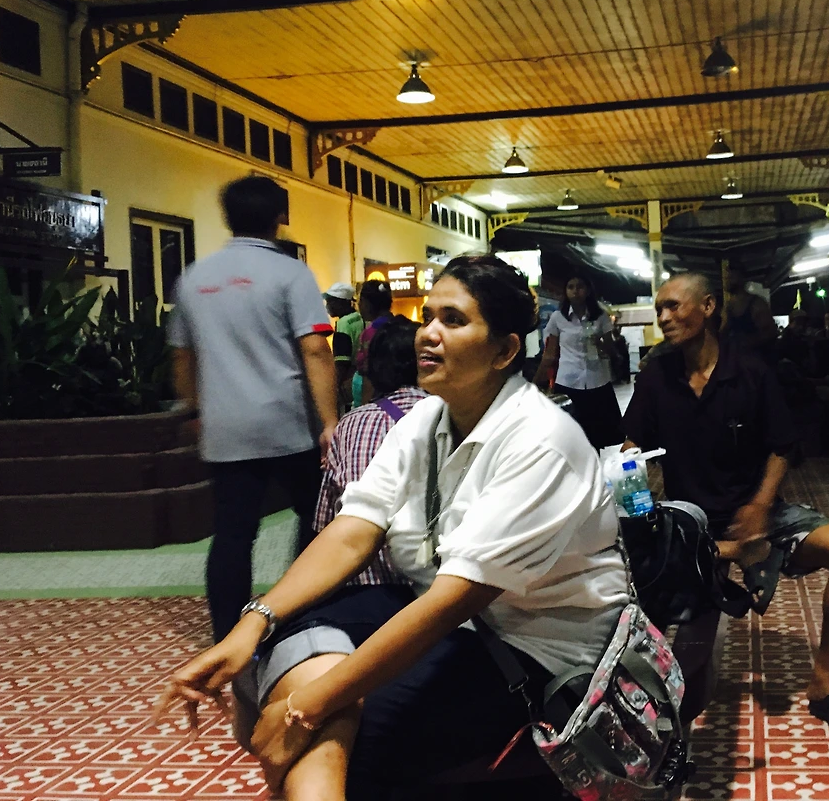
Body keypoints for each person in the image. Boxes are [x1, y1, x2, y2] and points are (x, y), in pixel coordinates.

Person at [155, 255, 628, 801]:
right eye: (428, 317)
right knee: (293, 631)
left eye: (454, 320)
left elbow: (453, 600)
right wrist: (251, 623)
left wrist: (307, 706)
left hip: (538, 651)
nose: (428, 333)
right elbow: (353, 530)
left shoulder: (541, 440)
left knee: (347, 727)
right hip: (455, 620)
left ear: (504, 351)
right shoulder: (426, 420)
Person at [622, 272, 829, 736]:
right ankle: (647, 704)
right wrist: (636, 507)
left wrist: (759, 505)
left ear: (708, 307)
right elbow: (632, 448)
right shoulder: (658, 375)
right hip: (690, 524)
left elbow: (782, 446)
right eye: (659, 310)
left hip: (758, 516)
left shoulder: (751, 371)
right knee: (651, 597)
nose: (664, 318)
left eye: (673, 306)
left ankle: (824, 681)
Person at [168, 176, 339, 642]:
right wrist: (330, 421)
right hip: (289, 424)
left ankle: (228, 634)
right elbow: (315, 349)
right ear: (280, 216)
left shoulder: (193, 277)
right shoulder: (291, 274)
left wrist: (195, 409)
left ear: (227, 217)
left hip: (226, 427)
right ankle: (304, 608)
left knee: (233, 531)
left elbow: (182, 356)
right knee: (316, 517)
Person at [315, 317, 425, 586]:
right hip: (437, 587)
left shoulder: (351, 424)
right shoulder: (453, 415)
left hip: (361, 581)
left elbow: (325, 522)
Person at [533, 273, 623, 449]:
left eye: (580, 287)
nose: (575, 291)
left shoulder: (600, 317)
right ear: (565, 291)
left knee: (597, 437)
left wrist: (600, 344)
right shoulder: (558, 318)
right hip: (569, 382)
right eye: (571, 287)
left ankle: (594, 465)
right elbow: (550, 354)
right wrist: (536, 382)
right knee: (570, 436)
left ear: (588, 290)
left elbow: (610, 349)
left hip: (598, 381)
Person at [719, 261, 778, 355]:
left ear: (742, 277)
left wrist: (746, 342)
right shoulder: (728, 306)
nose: (726, 280)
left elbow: (770, 332)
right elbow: (722, 333)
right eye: (726, 277)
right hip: (737, 360)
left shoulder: (757, 304)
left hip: (756, 360)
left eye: (731, 276)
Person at [351, 279, 394, 407]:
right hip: (393, 404)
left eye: (360, 301)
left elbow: (369, 374)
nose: (359, 306)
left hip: (377, 401)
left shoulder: (372, 332)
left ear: (367, 303)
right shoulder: (399, 326)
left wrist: (366, 409)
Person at [324, 282, 363, 410]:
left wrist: (334, 388)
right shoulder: (359, 317)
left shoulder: (343, 324)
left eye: (331, 302)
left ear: (343, 302)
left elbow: (342, 362)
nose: (328, 306)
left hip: (348, 382)